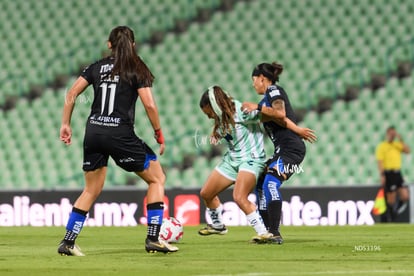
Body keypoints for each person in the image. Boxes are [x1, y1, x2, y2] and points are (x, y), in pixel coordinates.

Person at [58, 26, 178, 255]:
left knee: (91, 189)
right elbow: (150, 104)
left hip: (93, 132)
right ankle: (153, 238)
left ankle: (68, 242)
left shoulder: (97, 66)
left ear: (109, 44)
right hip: (119, 134)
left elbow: (72, 93)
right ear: (133, 45)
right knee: (157, 178)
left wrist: (66, 123)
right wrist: (158, 132)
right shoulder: (137, 67)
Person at [198, 85, 315, 242]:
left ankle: (264, 233)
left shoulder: (243, 112)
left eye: (209, 112)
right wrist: (216, 136)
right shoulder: (223, 117)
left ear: (215, 105)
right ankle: (218, 225)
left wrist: (297, 130)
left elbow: (278, 117)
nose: (209, 117)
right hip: (232, 159)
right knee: (206, 193)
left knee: (239, 197)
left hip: (251, 159)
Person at [242, 62, 316, 244]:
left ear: (262, 78)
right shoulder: (263, 102)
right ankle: (267, 232)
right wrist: (297, 129)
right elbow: (281, 120)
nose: (253, 84)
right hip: (281, 150)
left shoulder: (274, 90)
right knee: (260, 184)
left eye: (254, 80)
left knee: (271, 184)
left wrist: (257, 108)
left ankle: (274, 232)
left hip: (291, 149)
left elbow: (280, 112)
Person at [375, 126, 410, 222]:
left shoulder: (397, 145)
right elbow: (380, 161)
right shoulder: (382, 146)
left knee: (405, 196)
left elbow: (408, 151)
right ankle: (390, 218)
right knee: (391, 200)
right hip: (388, 173)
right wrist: (382, 175)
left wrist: (400, 139)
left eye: (393, 133)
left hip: (398, 173)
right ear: (387, 134)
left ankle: (395, 212)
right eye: (390, 133)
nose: (392, 135)